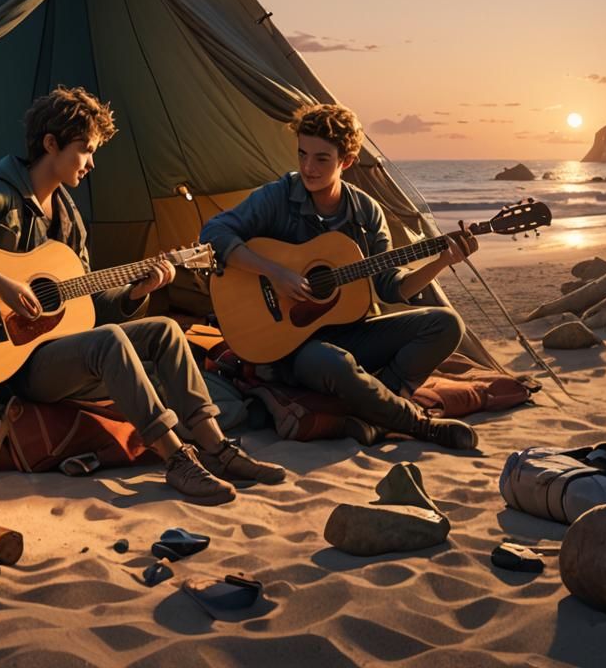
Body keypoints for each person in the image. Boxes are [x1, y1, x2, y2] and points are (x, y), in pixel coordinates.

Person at [0, 86, 284, 504]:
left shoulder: (70, 220)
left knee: (164, 329)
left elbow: (85, 308)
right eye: (85, 150)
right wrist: (2, 283)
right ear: (50, 144)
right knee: (109, 342)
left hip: (54, 352)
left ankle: (217, 448)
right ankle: (175, 458)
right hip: (7, 364)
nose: (90, 163)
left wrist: (135, 292)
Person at [200, 102, 480, 450]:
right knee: (334, 361)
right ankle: (417, 424)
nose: (307, 167)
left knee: (447, 324)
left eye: (321, 159)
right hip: (292, 348)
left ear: (345, 162)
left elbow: (390, 287)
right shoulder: (278, 196)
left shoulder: (366, 212)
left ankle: (375, 415)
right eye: (302, 154)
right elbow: (214, 232)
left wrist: (440, 262)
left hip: (351, 334)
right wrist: (277, 272)